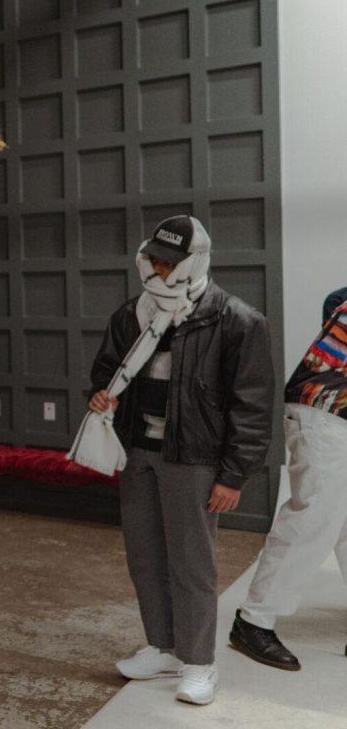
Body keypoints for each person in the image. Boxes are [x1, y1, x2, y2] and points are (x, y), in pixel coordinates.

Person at [82, 215, 273, 706]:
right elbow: (105, 372)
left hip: (193, 458)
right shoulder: (131, 315)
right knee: (145, 556)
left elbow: (251, 407)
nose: (159, 272)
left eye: (169, 264)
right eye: (154, 260)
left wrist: (233, 476)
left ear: (194, 262)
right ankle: (164, 647)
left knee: (192, 563)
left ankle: (199, 663)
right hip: (139, 451)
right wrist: (100, 397)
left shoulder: (236, 320)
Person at [231, 286, 347, 670]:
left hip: (332, 415)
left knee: (341, 523)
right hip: (326, 416)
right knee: (312, 520)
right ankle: (254, 620)